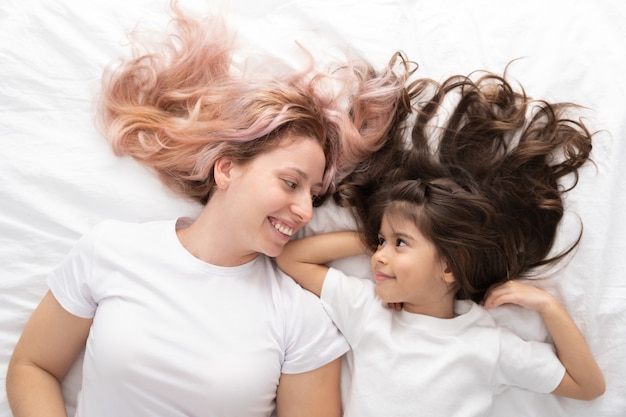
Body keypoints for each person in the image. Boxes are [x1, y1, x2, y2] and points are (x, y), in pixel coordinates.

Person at [5, 4, 411, 417]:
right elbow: (32, 366)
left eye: (314, 194)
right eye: (291, 183)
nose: (305, 209)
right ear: (227, 169)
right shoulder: (111, 250)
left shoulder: (302, 317)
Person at [277, 71, 605, 416]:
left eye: (400, 242)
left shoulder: (487, 346)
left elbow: (588, 387)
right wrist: (367, 243)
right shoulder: (368, 311)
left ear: (449, 266)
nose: (379, 256)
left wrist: (548, 308)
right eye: (381, 241)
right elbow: (292, 259)